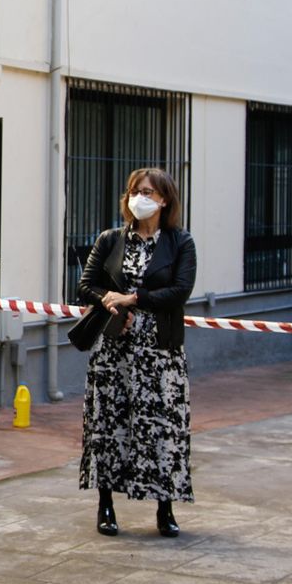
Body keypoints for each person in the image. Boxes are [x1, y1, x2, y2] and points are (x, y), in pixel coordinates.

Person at [77, 167, 198, 537]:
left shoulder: (180, 242)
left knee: (163, 429)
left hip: (159, 354)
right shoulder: (111, 239)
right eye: (134, 191)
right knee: (108, 426)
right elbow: (87, 285)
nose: (139, 198)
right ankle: (106, 506)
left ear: (164, 200)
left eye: (147, 192)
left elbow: (180, 291)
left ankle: (165, 508)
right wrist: (110, 302)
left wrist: (133, 298)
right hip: (113, 351)